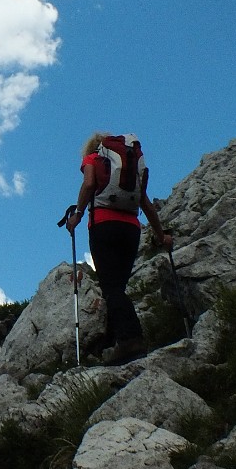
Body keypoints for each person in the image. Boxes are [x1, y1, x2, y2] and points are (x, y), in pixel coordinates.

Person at [65, 132, 173, 366]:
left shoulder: (92, 159)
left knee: (111, 287)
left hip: (104, 225)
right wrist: (160, 235)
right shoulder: (129, 168)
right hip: (131, 229)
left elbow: (89, 183)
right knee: (118, 286)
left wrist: (78, 215)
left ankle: (130, 339)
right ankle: (115, 343)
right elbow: (145, 202)